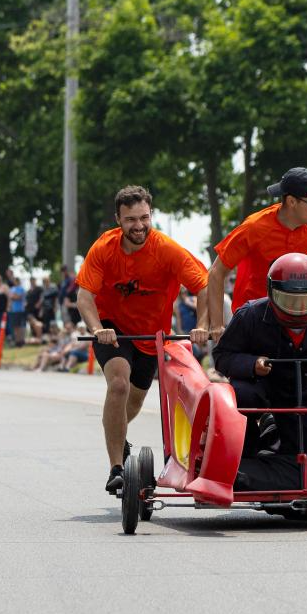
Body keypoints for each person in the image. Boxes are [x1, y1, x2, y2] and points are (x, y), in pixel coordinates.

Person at [76, 185, 209, 494]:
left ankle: (118, 436)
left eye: (144, 218)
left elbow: (203, 287)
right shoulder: (104, 249)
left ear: (152, 215)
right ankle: (116, 469)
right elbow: (85, 298)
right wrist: (97, 329)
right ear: (118, 220)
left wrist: (202, 324)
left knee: (134, 401)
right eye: (130, 219)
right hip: (112, 328)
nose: (138, 226)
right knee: (119, 385)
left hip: (151, 335)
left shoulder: (167, 250)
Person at [212, 253, 307, 457]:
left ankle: (273, 431)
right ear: (272, 292)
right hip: (257, 387)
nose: (299, 308)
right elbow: (222, 355)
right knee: (240, 425)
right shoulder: (250, 315)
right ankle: (247, 450)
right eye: (289, 299)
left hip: (301, 388)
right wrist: (253, 364)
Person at [207, 167, 307, 341]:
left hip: (300, 318)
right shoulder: (254, 226)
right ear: (291, 201)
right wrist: (216, 325)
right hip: (255, 320)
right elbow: (216, 272)